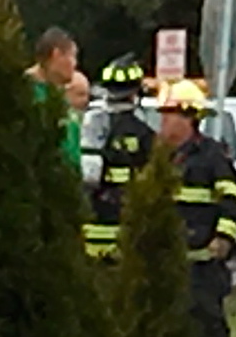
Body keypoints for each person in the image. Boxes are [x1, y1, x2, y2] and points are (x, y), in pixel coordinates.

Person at [150, 80, 236, 337]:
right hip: (166, 255)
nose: (163, 122)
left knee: (206, 321)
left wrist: (223, 237)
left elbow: (233, 200)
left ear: (188, 118)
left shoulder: (212, 156)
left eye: (169, 115)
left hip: (202, 259)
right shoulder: (159, 157)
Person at [80, 57, 154, 260]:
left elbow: (85, 176)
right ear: (135, 93)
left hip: (90, 225)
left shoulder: (89, 123)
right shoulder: (144, 131)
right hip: (126, 228)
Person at [30, 26, 88, 169]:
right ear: (57, 55)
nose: (75, 64)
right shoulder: (28, 95)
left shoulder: (61, 97)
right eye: (72, 56)